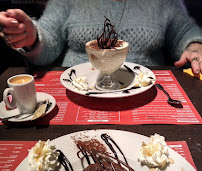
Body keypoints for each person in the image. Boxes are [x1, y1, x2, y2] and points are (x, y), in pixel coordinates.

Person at [0, 0, 202, 77]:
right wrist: (31, 36)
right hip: (77, 92)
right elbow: (48, 38)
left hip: (143, 97)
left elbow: (185, 32)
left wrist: (194, 47)